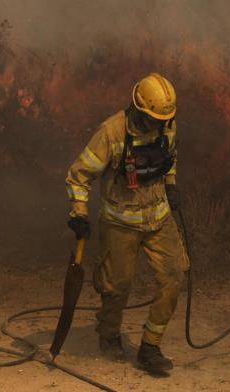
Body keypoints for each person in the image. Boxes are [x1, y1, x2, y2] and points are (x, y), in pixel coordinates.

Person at [65, 72, 188, 376]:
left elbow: (169, 159)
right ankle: (108, 337)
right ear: (139, 108)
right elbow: (80, 175)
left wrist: (170, 185)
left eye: (163, 120)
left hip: (158, 218)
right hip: (120, 221)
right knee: (116, 286)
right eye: (153, 119)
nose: (159, 125)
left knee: (174, 275)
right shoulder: (111, 132)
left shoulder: (167, 126)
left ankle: (150, 347)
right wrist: (78, 211)